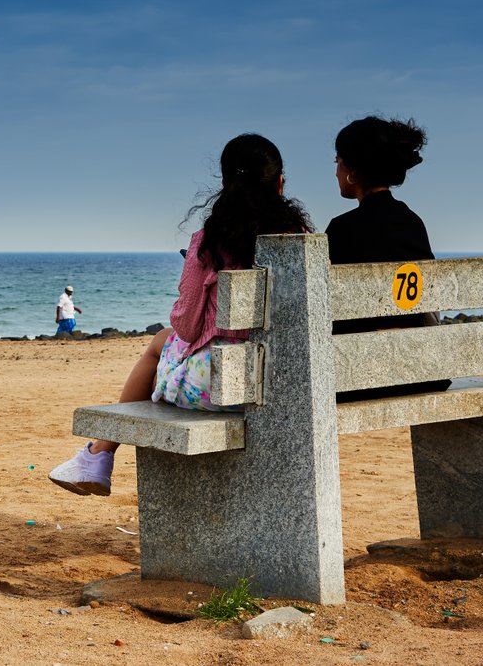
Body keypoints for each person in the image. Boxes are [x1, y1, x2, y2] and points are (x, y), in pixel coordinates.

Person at [49, 133, 310, 496]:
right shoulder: (301, 238)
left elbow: (186, 327)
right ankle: (96, 455)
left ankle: (98, 454)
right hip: (288, 382)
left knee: (159, 343)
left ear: (225, 185)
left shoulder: (210, 240)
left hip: (222, 387)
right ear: (280, 183)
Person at [326, 115, 446, 397]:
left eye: (337, 162)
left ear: (353, 172)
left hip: (361, 377)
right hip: (419, 373)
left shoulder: (341, 229)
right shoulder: (413, 223)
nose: (335, 172)